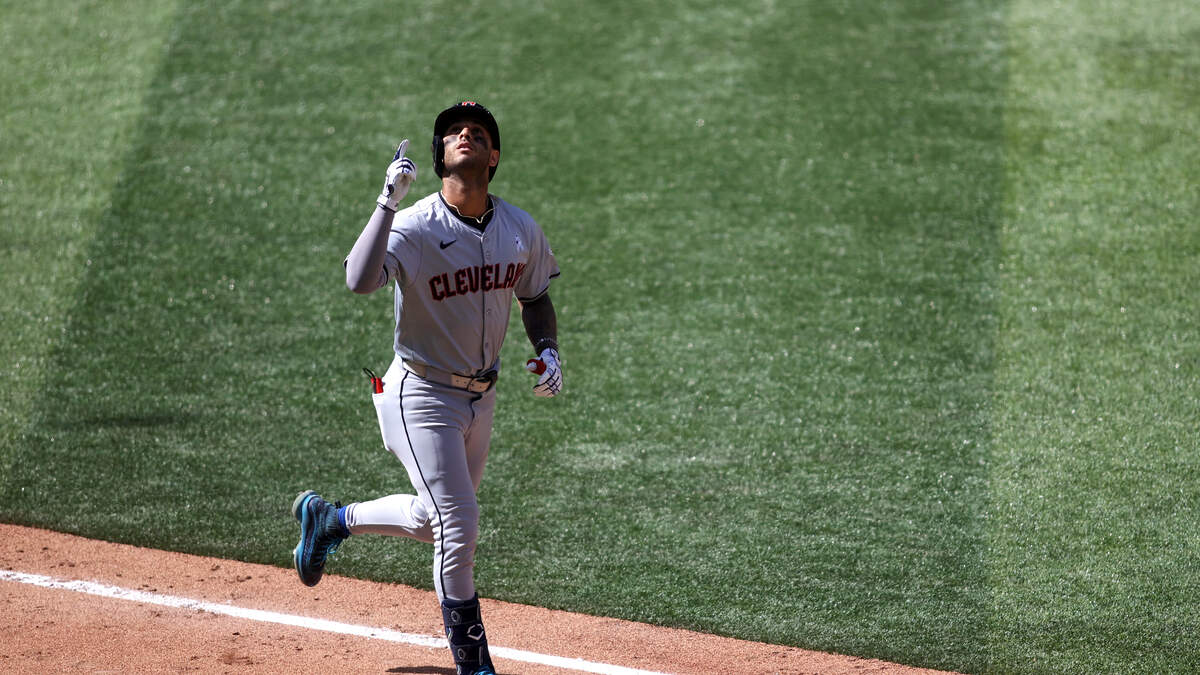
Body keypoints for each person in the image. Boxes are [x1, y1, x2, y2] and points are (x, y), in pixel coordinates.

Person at [290, 101, 562, 675]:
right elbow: (358, 280)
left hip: (481, 398)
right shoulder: (415, 226)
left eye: (478, 131)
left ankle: (330, 520)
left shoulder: (520, 229)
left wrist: (548, 351)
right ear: (439, 155)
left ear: (494, 155)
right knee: (458, 524)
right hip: (419, 394)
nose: (465, 134)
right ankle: (475, 664)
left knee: (431, 519)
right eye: (454, 132)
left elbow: (535, 297)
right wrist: (386, 202)